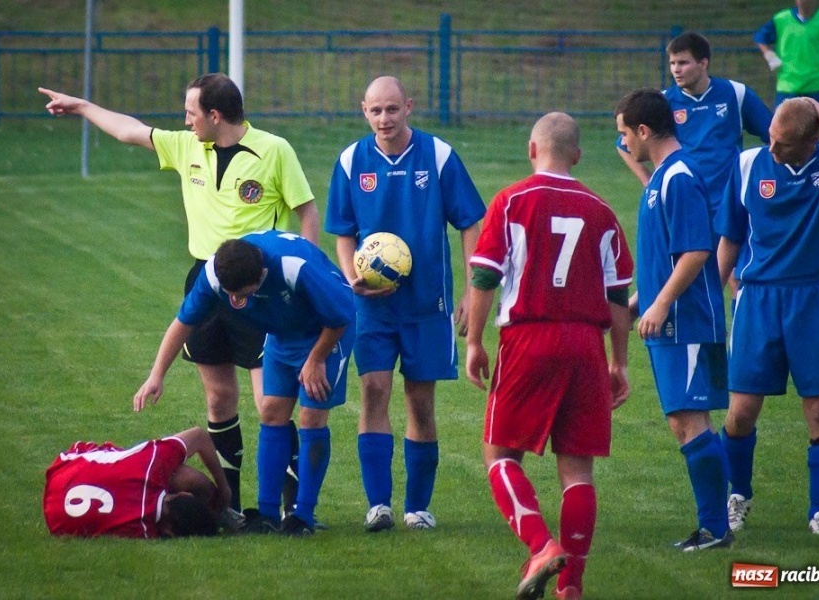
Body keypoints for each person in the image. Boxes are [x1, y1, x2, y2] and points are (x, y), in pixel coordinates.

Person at [39, 74, 319, 514]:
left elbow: (306, 212)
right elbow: (129, 131)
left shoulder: (274, 150)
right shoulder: (188, 146)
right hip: (206, 282)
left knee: (272, 402)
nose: (184, 121)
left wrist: (304, 271)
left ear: (215, 114)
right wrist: (81, 107)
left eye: (191, 113)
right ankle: (230, 505)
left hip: (259, 286)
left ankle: (288, 508)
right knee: (218, 398)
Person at [465, 112, 633, 600]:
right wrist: (618, 362)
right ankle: (571, 586)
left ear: (532, 150)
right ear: (577, 156)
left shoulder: (512, 200)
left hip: (529, 339)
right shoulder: (601, 209)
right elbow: (618, 295)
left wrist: (475, 341)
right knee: (578, 471)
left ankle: (540, 545)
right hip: (586, 344)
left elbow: (484, 277)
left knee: (499, 454)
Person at [324, 75, 486, 532]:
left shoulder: (437, 156)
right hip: (372, 307)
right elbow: (343, 232)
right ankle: (378, 505)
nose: (384, 119)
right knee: (373, 391)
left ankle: (417, 508)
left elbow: (471, 223)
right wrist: (353, 275)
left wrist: (473, 289)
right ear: (364, 110)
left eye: (392, 109)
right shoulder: (352, 160)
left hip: (426, 305)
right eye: (375, 110)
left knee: (420, 403)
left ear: (408, 107)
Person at [715, 97, 819, 536]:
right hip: (758, 299)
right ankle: (738, 495)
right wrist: (711, 294)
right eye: (771, 139)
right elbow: (731, 236)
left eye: (783, 144)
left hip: (813, 300)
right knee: (741, 412)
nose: (772, 150)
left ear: (812, 140)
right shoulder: (748, 165)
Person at [133, 231, 356, 536]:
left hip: (325, 335)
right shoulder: (216, 272)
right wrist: (156, 374)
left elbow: (341, 315)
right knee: (271, 412)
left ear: (260, 276)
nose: (235, 300)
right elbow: (184, 322)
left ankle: (302, 515)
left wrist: (315, 360)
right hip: (282, 335)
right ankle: (265, 514)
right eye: (230, 294)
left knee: (311, 416)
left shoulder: (294, 267)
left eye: (242, 294)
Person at [614, 88, 732, 551]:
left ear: (644, 131)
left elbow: (697, 250)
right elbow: (667, 254)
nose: (624, 144)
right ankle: (719, 520)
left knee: (688, 421)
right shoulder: (663, 177)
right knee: (685, 421)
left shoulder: (678, 177)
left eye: (625, 134)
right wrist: (641, 302)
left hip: (685, 322)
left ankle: (716, 529)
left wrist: (661, 305)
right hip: (670, 317)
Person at [617, 31, 772, 221]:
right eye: (672, 63)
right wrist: (647, 180)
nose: (676, 69)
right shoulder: (663, 102)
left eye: (683, 63)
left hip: (728, 203)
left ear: (703, 63)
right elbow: (624, 142)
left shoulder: (735, 93)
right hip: (685, 200)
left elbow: (774, 134)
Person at [44, 426, 233, 538]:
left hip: (64, 469)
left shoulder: (150, 465)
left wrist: (224, 488)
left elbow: (199, 435)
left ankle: (218, 508)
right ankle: (221, 514)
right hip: (55, 514)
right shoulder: (142, 530)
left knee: (184, 476)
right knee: (185, 477)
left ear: (184, 494)